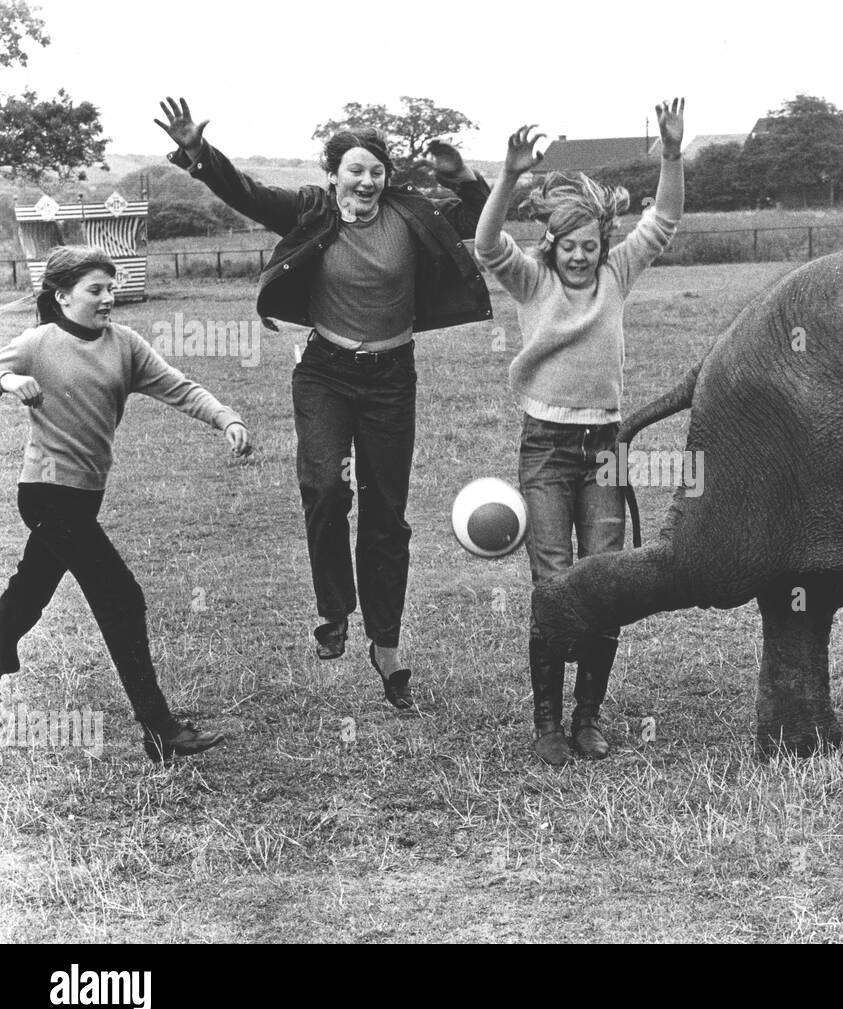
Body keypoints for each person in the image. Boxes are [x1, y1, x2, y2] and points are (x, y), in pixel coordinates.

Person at [154, 96, 493, 708]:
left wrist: (465, 178)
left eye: (377, 170)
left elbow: (477, 216)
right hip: (326, 374)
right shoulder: (310, 211)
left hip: (392, 377)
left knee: (387, 512)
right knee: (327, 486)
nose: (367, 181)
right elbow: (248, 193)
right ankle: (334, 609)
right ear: (332, 173)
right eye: (355, 170)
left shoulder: (411, 213)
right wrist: (199, 154)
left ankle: (386, 644)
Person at [474, 99, 685, 766]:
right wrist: (508, 178)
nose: (583, 257)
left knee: (604, 580)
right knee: (555, 581)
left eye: (592, 246)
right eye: (571, 247)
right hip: (546, 449)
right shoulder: (532, 283)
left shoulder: (616, 278)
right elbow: (485, 245)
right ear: (552, 247)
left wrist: (672, 157)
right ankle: (545, 725)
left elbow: (666, 219)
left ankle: (587, 718)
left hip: (605, 449)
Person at [0, 246, 251, 761]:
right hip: (47, 494)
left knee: (31, 590)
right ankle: (160, 730)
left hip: (85, 497)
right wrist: (8, 380)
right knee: (121, 598)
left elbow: (177, 387)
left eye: (111, 288)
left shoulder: (124, 345)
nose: (109, 298)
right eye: (96, 290)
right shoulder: (37, 344)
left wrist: (225, 417)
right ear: (63, 296)